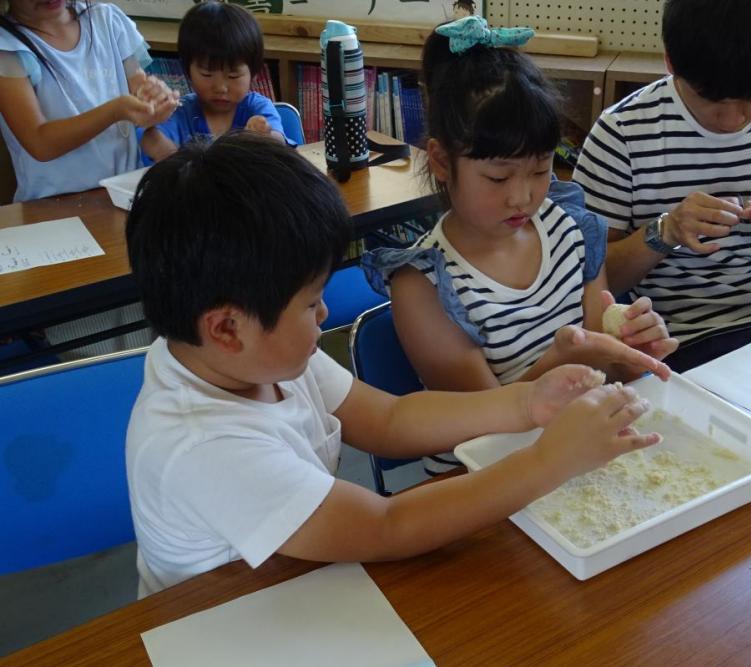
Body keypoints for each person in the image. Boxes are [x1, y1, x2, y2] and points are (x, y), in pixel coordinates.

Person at [124, 132, 664, 597]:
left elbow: (390, 421)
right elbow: (387, 527)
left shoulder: (252, 359)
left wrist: (526, 402)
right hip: (228, 624)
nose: (326, 313)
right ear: (225, 327)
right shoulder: (205, 444)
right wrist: (550, 462)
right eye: (311, 303)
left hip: (301, 587)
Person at [364, 16, 676, 394]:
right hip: (499, 452)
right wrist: (559, 361)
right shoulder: (425, 283)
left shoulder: (569, 231)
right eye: (499, 178)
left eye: (540, 170)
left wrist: (633, 352)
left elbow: (609, 370)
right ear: (442, 161)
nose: (523, 197)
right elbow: (476, 426)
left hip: (585, 433)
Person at [573, 0, 751, 373]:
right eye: (711, 99)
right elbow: (596, 281)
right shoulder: (621, 132)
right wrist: (664, 231)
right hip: (673, 335)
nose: (733, 120)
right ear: (670, 62)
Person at [0, 0, 177, 201]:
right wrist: (115, 110)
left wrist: (155, 99)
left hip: (123, 193)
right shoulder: (7, 48)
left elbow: (139, 90)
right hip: (52, 205)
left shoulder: (107, 20)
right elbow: (40, 143)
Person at [140, 1, 287, 163]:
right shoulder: (180, 113)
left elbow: (279, 142)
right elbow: (151, 141)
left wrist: (265, 137)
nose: (220, 88)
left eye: (233, 76)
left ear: (254, 74)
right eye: (207, 74)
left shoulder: (257, 107)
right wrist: (153, 134)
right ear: (187, 71)